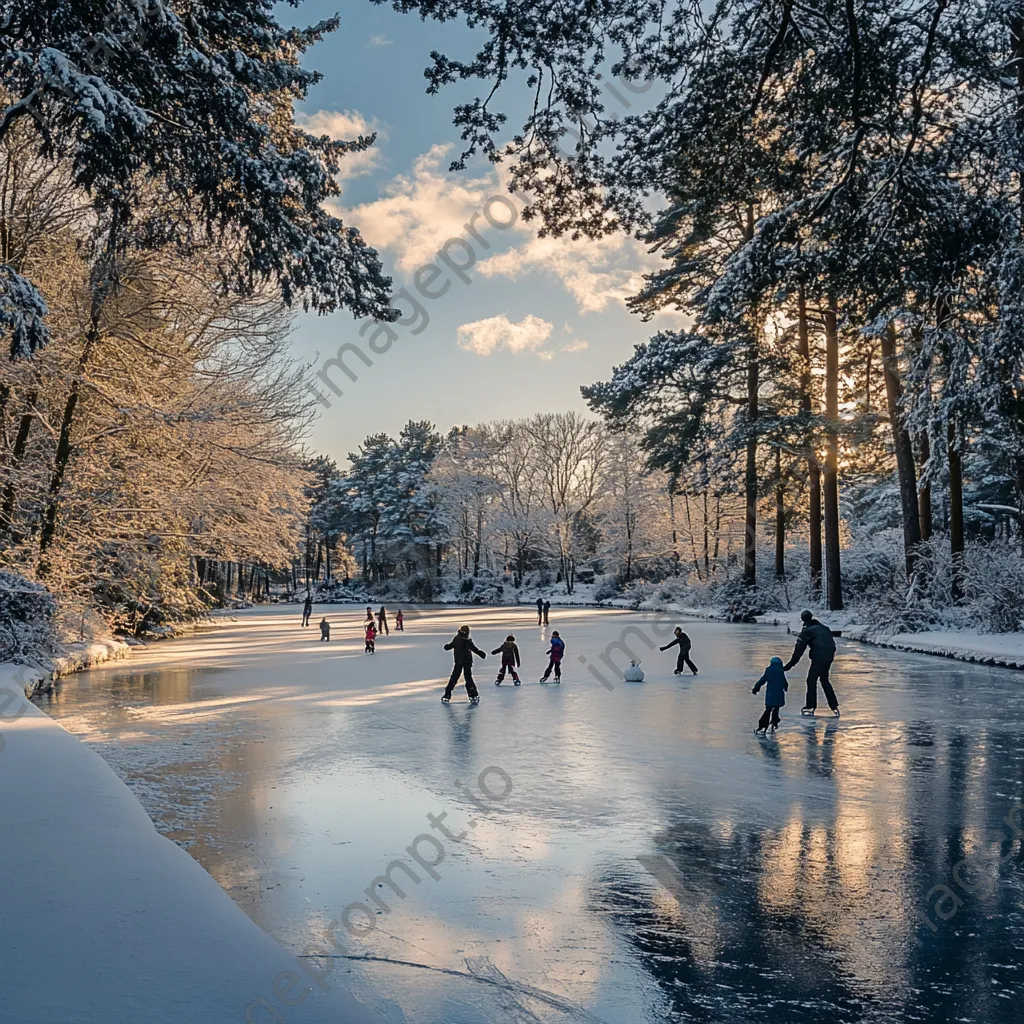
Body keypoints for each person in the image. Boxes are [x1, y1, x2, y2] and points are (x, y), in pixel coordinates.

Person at [783, 610, 840, 716]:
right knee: (824, 680)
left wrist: (789, 665)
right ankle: (834, 706)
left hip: (819, 656)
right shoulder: (824, 628)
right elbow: (831, 643)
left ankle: (810, 706)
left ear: (803, 620)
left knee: (811, 680)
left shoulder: (807, 631)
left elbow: (799, 650)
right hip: (829, 655)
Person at [442, 625, 486, 704]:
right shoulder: (467, 640)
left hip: (459, 662)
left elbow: (450, 646)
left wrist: (447, 647)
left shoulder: (457, 638)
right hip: (466, 662)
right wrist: (480, 653)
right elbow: (474, 648)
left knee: (454, 678)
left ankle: (447, 695)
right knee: (468, 678)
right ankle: (473, 695)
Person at [752, 656, 789, 734]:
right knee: (776, 708)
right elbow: (784, 681)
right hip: (779, 694)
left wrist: (756, 688)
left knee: (768, 709)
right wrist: (785, 687)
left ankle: (763, 725)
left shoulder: (769, 670)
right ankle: (775, 721)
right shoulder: (780, 670)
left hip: (771, 694)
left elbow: (763, 680)